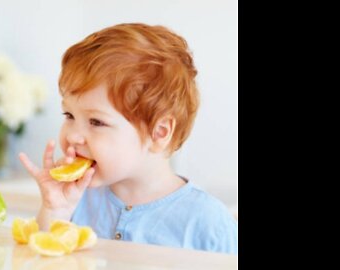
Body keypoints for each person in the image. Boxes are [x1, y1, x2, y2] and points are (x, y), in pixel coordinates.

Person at [19, 23, 237, 254]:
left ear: (159, 132)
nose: (72, 135)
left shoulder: (209, 224)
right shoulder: (74, 201)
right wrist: (54, 212)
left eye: (96, 122)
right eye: (69, 115)